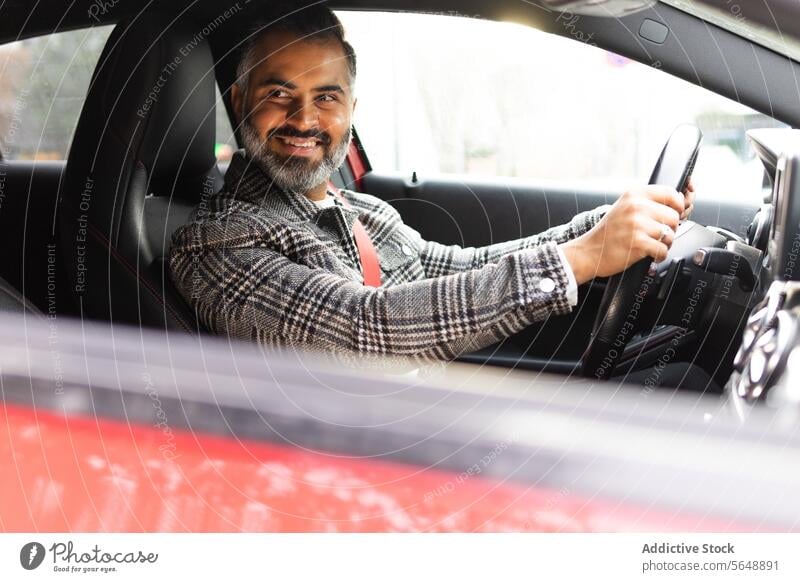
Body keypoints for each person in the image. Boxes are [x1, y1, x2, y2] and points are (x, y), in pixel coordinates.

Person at [168, 4, 695, 367]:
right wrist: (580, 258)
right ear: (239, 102)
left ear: (352, 111)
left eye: (326, 97)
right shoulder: (218, 245)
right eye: (279, 94)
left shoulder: (360, 210)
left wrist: (604, 230)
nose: (304, 119)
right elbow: (367, 329)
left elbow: (459, 268)